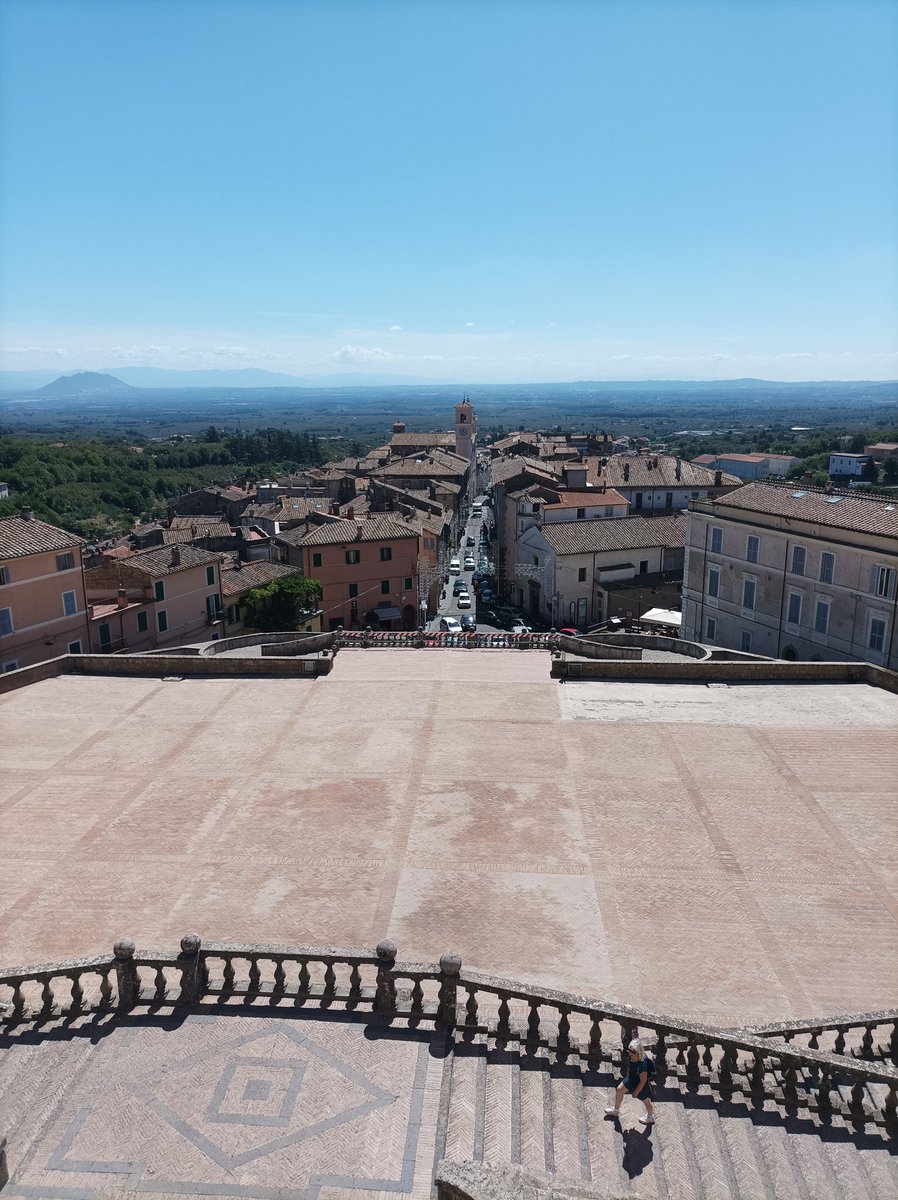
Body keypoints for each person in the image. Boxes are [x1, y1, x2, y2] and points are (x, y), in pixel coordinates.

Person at [605, 1038, 655, 1124]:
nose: (631, 1053)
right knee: (619, 1090)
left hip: (640, 1086)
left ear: (638, 1052)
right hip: (631, 1079)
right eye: (630, 1050)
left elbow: (642, 1081)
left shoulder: (642, 1065)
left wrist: (636, 1091)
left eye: (633, 1052)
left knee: (646, 1101)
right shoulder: (631, 1056)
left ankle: (650, 1117)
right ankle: (616, 1110)